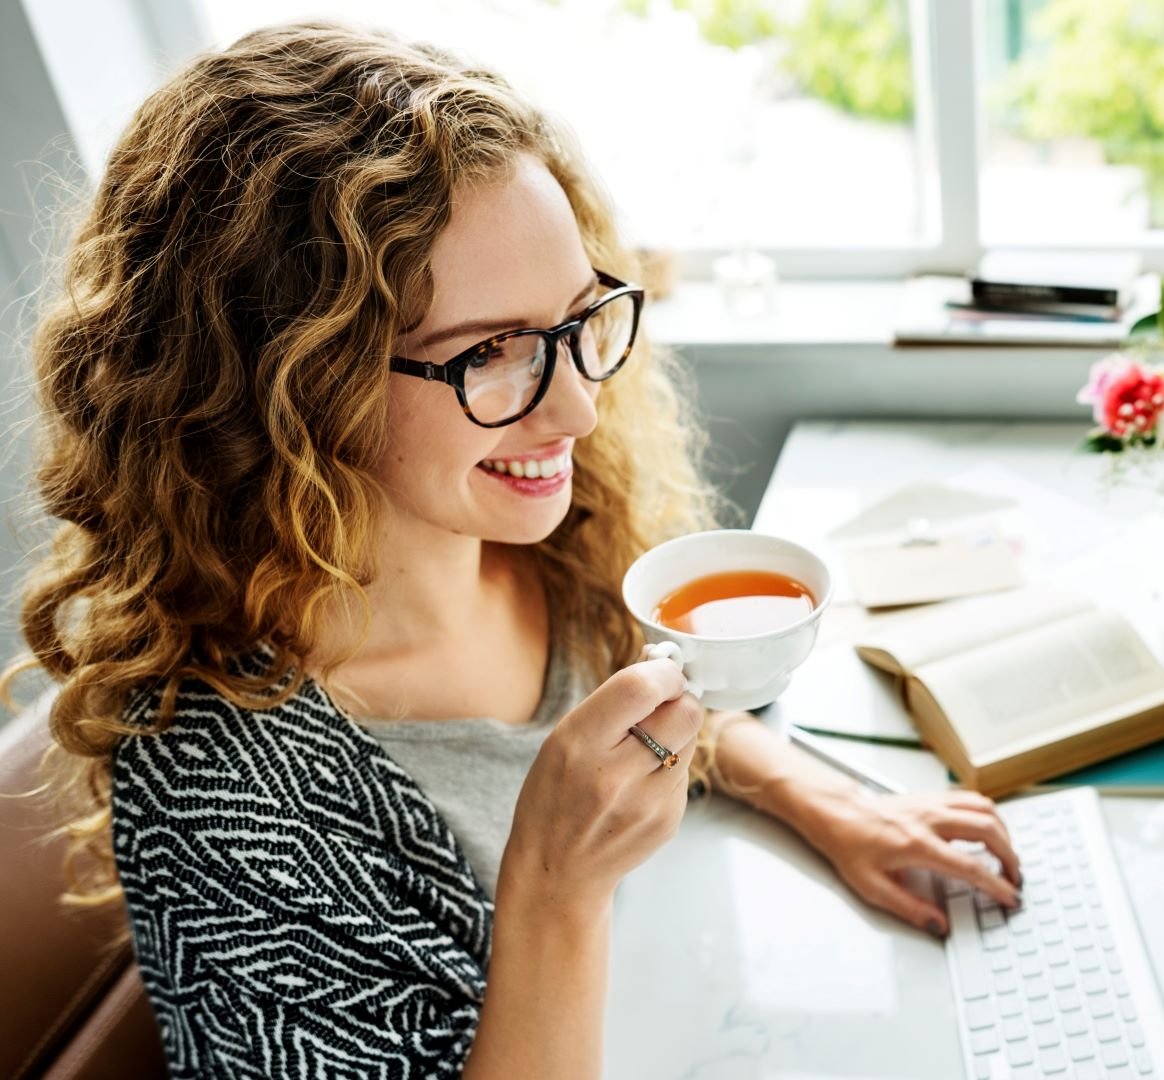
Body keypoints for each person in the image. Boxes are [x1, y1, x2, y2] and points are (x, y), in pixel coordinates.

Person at [1, 22, 1022, 1077]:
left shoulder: (536, 537)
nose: (579, 409)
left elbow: (647, 697)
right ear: (285, 386)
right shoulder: (225, 802)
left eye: (580, 321)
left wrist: (821, 798)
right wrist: (554, 894)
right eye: (490, 352)